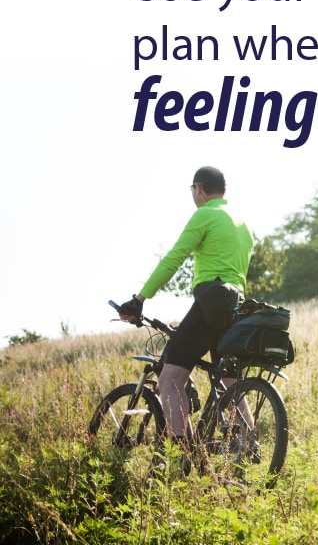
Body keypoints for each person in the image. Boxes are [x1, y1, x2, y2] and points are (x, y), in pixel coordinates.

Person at [118, 166, 254, 453]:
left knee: (169, 377)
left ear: (199, 189)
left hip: (211, 301)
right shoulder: (242, 223)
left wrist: (140, 299)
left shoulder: (205, 214)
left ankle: (184, 456)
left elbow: (173, 258)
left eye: (193, 190)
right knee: (229, 383)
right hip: (236, 308)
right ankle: (249, 446)